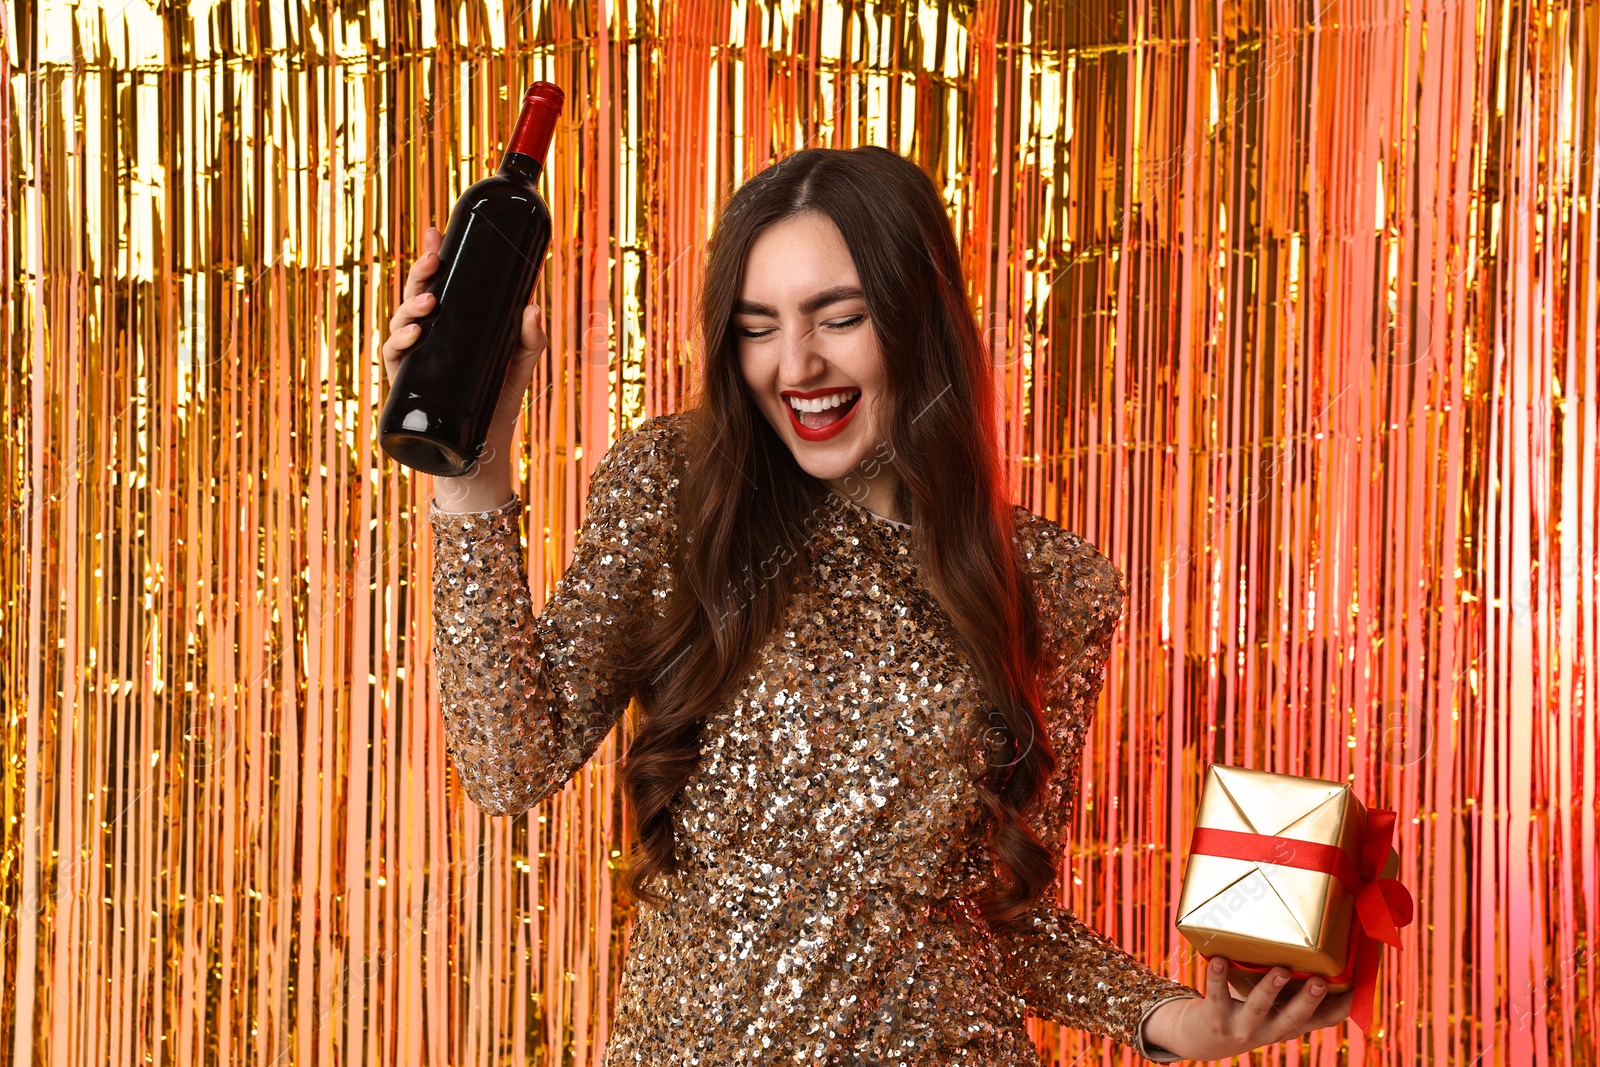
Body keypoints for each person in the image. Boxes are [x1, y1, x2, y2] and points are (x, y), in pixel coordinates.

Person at [380, 145, 1353, 1063]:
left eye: (837, 317)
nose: (794, 364)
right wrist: (474, 467)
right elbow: (510, 762)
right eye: (758, 325)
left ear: (918, 318)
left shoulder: (1051, 578)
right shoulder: (673, 484)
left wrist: (1174, 1016)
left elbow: (999, 912)